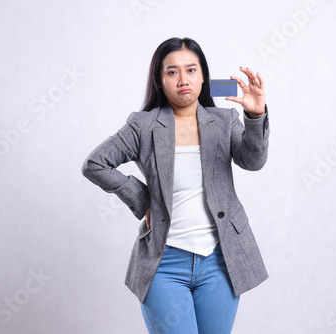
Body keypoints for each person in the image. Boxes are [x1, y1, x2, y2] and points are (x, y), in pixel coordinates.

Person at [82, 37, 270, 334]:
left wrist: (255, 116)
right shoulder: (142, 126)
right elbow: (95, 164)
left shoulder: (224, 119)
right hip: (164, 264)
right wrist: (143, 200)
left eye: (191, 70)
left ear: (203, 77)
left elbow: (252, 161)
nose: (183, 79)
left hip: (220, 263)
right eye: (172, 72)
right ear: (160, 80)